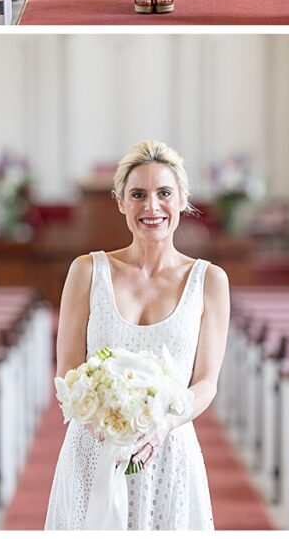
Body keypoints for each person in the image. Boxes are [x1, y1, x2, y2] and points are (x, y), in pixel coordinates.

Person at [45, 140, 230, 530]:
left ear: (182, 200)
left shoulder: (210, 281)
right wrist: (103, 423)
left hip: (169, 448)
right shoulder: (86, 271)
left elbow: (206, 381)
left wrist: (163, 424)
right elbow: (67, 370)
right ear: (120, 202)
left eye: (164, 193)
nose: (151, 207)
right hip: (92, 449)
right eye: (138, 195)